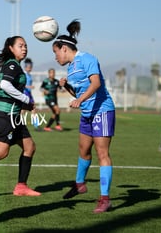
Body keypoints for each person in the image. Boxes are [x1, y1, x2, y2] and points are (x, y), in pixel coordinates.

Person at [52, 20, 115, 213]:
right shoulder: (71, 68)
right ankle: (79, 184)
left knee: (102, 154)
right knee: (83, 150)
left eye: (55, 52)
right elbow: (78, 95)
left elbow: (95, 84)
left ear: (64, 49)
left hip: (102, 111)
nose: (55, 57)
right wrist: (67, 87)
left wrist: (80, 101)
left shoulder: (87, 58)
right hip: (87, 113)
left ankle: (105, 199)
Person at [0, 36, 41, 196]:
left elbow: (11, 92)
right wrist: (26, 99)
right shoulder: (12, 64)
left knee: (29, 147)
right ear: (11, 48)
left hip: (13, 114)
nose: (24, 48)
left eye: (25, 45)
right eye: (20, 45)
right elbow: (5, 85)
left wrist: (27, 105)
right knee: (1, 152)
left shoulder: (15, 65)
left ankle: (21, 187)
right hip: (6, 114)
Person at [23, 58, 40, 130]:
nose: (30, 68)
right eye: (28, 67)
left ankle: (36, 125)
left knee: (33, 109)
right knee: (22, 110)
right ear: (25, 66)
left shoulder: (29, 75)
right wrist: (29, 86)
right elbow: (21, 84)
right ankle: (20, 124)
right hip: (24, 93)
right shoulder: (24, 75)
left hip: (29, 93)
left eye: (31, 67)